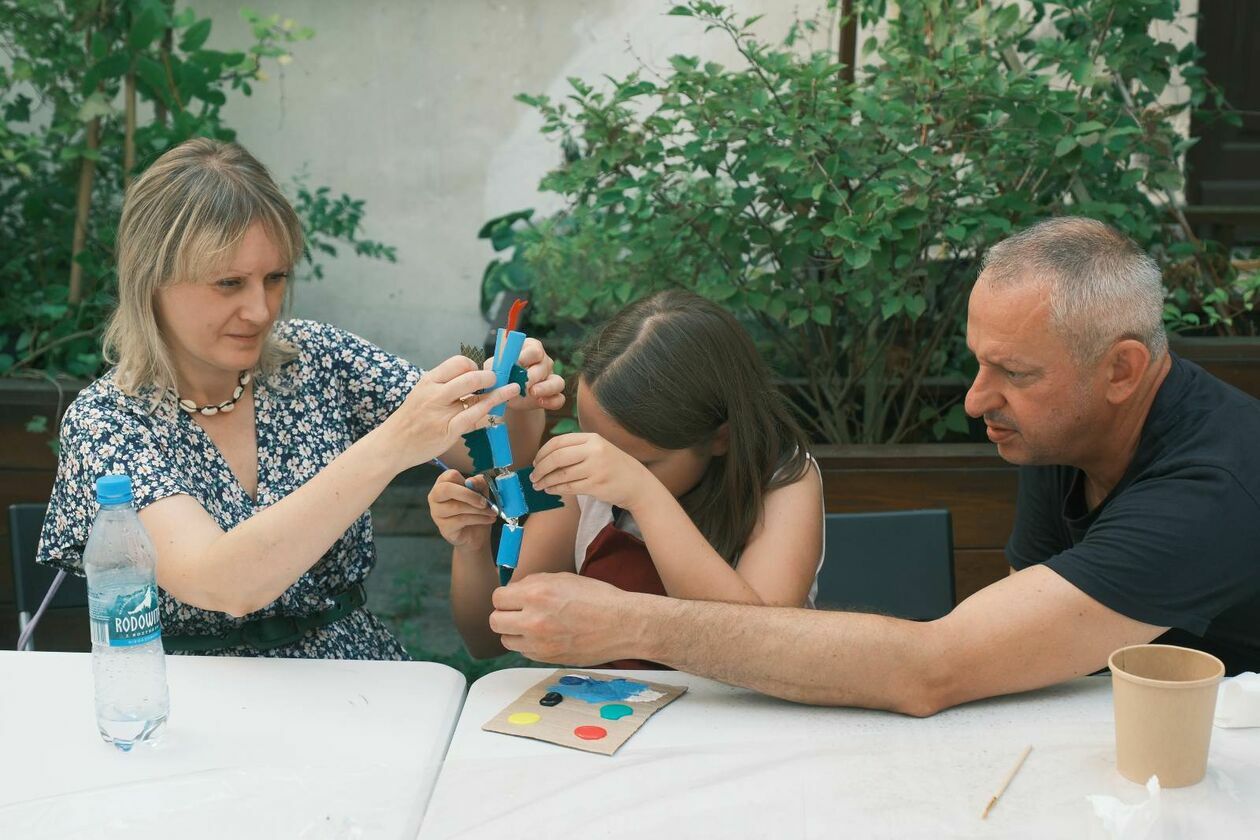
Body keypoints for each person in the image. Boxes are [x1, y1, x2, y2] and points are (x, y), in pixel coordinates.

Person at [485, 217, 1260, 713]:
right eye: (979, 364)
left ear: (1121, 370)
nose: (975, 400)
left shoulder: (1210, 490)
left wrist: (627, 621)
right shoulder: (1067, 428)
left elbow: (934, 667)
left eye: (1015, 374)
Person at [36, 138, 565, 659]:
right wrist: (392, 445)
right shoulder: (108, 422)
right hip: (192, 701)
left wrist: (512, 403)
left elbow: (499, 459)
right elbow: (224, 583)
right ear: (150, 281)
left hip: (351, 679)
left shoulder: (315, 356)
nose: (261, 310)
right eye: (228, 283)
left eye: (274, 277)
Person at [429, 290, 825, 664]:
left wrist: (644, 494)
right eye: (593, 440)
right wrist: (472, 547)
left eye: (642, 463)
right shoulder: (586, 484)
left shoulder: (784, 480)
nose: (607, 470)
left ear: (721, 437)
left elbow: (760, 652)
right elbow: (489, 640)